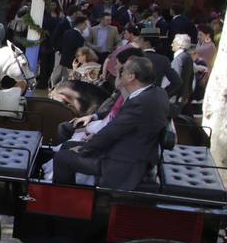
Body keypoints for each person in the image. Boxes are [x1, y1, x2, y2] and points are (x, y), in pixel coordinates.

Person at [52, 56, 171, 190]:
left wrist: (85, 149)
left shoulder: (139, 103)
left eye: (124, 71)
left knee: (61, 158)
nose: (121, 74)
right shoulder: (158, 93)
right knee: (69, 145)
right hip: (134, 149)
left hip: (124, 162)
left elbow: (111, 132)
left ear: (131, 77)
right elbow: (116, 129)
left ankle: (64, 201)